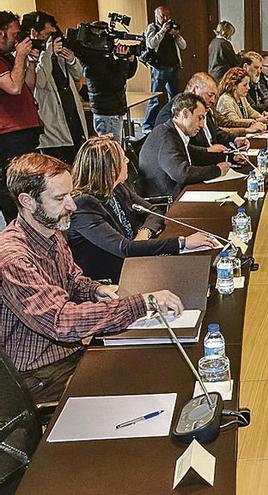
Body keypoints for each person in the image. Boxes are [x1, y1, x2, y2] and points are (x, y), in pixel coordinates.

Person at [0, 153, 184, 402]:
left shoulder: (49, 230)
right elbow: (61, 322)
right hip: (39, 374)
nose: (72, 206)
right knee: (143, 382)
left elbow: (73, 280)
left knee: (154, 365)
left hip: (67, 355)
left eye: (70, 195)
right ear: (27, 202)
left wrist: (96, 290)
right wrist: (141, 303)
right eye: (60, 198)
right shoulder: (14, 258)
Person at [67, 136, 217, 282]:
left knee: (204, 268)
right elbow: (124, 249)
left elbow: (154, 212)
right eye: (123, 158)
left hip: (138, 261)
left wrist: (143, 233)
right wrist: (182, 243)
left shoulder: (117, 188)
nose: (127, 161)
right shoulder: (83, 205)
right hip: (116, 279)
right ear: (111, 169)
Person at [21, 11, 87, 165]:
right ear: (34, 33)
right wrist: (47, 53)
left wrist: (71, 60)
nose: (51, 38)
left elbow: (78, 76)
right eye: (47, 34)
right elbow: (40, 82)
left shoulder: (56, 52)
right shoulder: (28, 54)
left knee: (77, 165)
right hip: (53, 128)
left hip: (72, 119)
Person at [138, 92, 231, 199]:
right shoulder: (166, 136)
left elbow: (194, 153)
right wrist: (217, 170)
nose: (201, 125)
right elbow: (182, 173)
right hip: (167, 204)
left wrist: (228, 157)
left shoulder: (173, 132)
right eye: (199, 118)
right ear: (185, 113)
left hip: (178, 194)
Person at [154, 72, 252, 165]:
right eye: (210, 95)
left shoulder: (203, 106)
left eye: (214, 96)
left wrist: (234, 140)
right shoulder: (171, 116)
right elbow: (179, 148)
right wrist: (208, 151)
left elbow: (214, 132)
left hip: (216, 160)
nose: (213, 100)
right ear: (194, 90)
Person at [0, 11, 41, 223]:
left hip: (25, 132)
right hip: (9, 136)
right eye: (14, 34)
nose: (17, 39)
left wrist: (31, 62)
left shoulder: (8, 58)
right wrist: (21, 55)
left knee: (29, 185)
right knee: (14, 189)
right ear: (1, 34)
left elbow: (28, 87)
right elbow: (14, 88)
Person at [79, 37, 139, 142]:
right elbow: (117, 82)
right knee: (111, 151)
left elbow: (126, 74)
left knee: (113, 149)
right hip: (107, 114)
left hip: (111, 110)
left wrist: (130, 60)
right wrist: (122, 60)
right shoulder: (95, 62)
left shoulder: (102, 58)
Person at [142, 5, 186, 132]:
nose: (166, 19)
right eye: (162, 16)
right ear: (156, 16)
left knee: (175, 98)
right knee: (155, 98)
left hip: (174, 67)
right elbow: (151, 44)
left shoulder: (172, 29)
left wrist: (176, 35)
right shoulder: (152, 28)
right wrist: (162, 30)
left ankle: (172, 122)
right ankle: (148, 126)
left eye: (167, 16)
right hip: (159, 68)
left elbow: (183, 46)